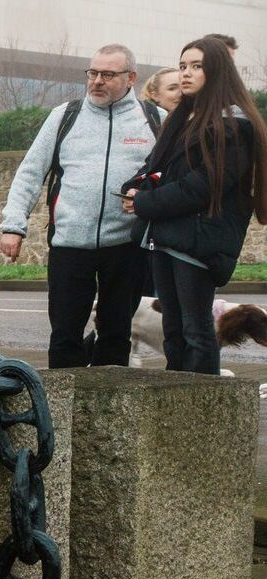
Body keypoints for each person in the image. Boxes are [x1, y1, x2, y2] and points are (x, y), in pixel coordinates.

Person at [0, 44, 161, 368]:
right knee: (65, 335)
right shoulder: (65, 116)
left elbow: (169, 173)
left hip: (126, 246)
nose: (97, 81)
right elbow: (31, 172)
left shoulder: (154, 119)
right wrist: (13, 225)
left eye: (108, 74)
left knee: (116, 336)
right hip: (70, 244)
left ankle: (107, 409)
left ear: (130, 77)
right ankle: (58, 410)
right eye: (93, 73)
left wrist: (148, 192)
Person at [121, 36, 267, 375]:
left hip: (199, 239)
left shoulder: (233, 124)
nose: (186, 73)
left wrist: (145, 203)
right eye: (183, 65)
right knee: (173, 330)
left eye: (196, 66)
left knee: (196, 330)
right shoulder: (182, 118)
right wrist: (135, 186)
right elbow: (157, 167)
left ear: (217, 71)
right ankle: (179, 405)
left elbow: (203, 185)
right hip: (166, 235)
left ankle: (204, 411)